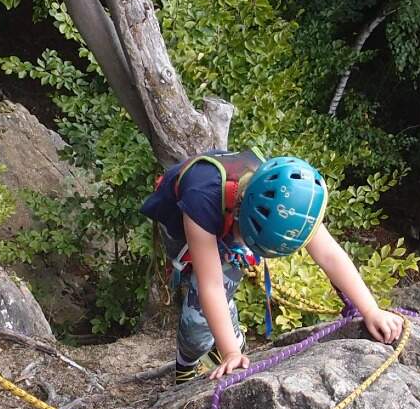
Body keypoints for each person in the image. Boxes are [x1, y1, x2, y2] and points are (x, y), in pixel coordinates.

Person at [141, 151, 403, 380]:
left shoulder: (291, 202)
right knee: (198, 309)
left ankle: (220, 337)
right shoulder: (202, 199)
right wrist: (231, 352)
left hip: (227, 216)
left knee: (223, 288)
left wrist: (371, 310)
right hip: (184, 219)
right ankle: (187, 364)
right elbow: (211, 285)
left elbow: (330, 255)